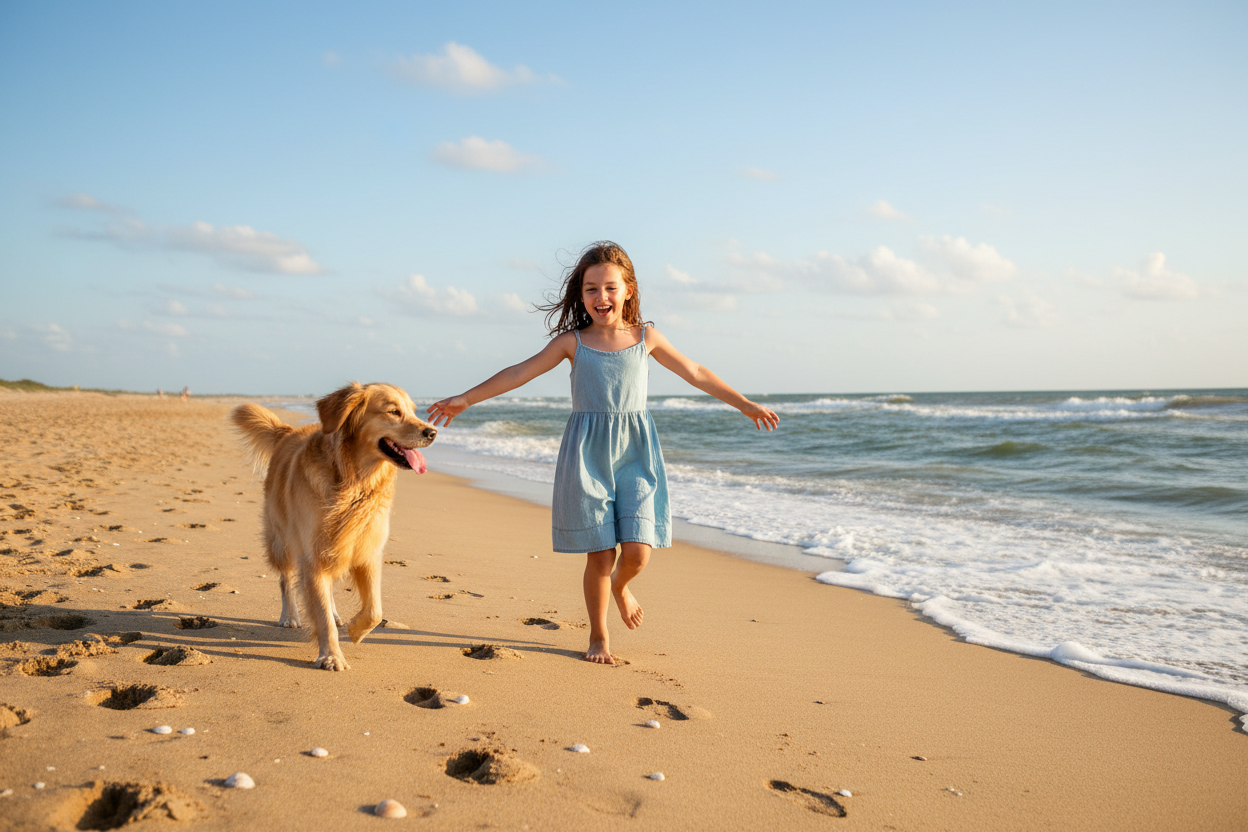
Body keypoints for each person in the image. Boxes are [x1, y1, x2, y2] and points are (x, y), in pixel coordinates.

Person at [427, 241, 778, 664]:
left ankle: (621, 586)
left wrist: (744, 404)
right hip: (587, 455)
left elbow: (696, 372)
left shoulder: (646, 337)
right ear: (581, 295)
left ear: (628, 289)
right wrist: (466, 398)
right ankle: (599, 637)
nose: (601, 297)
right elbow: (519, 372)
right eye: (591, 289)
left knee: (637, 553)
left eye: (610, 287)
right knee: (600, 552)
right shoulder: (572, 342)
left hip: (636, 452)